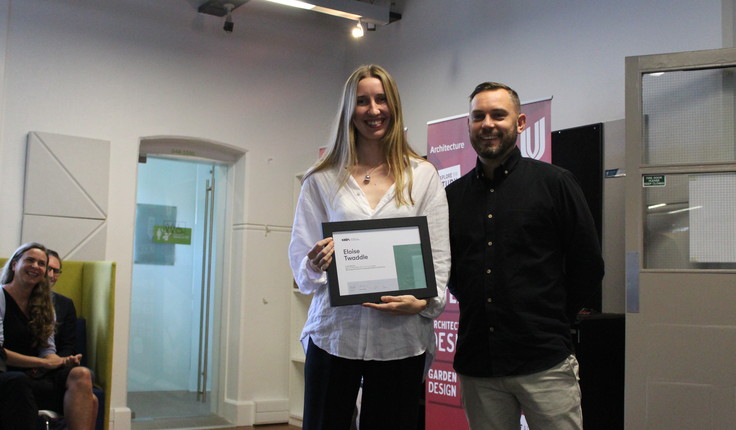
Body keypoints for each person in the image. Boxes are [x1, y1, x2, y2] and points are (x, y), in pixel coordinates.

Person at [288, 64, 450, 430]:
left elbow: (438, 259)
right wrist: (314, 262)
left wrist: (423, 302)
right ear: (350, 110)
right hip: (334, 335)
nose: (373, 110)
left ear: (394, 106)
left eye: (381, 100)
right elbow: (301, 260)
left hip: (401, 339)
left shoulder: (422, 176)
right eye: (362, 101)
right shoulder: (321, 178)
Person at [445, 82, 604, 430]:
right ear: (469, 125)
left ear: (519, 123)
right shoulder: (451, 197)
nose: (487, 123)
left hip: (544, 362)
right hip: (478, 365)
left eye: (498, 115)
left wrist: (548, 317)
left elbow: (589, 265)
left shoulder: (555, 183)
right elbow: (451, 271)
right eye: (478, 116)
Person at [0, 242, 98, 430]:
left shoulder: (45, 306)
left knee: (82, 374)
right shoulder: (1, 296)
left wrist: (63, 361)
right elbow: (0, 353)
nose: (35, 266)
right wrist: (43, 363)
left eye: (41, 264)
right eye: (30, 260)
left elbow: (48, 351)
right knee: (89, 400)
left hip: (36, 376)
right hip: (7, 374)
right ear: (14, 264)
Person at [47, 249, 78, 358]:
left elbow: (68, 347)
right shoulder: (16, 297)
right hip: (18, 364)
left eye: (56, 271)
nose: (51, 275)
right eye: (48, 268)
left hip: (53, 363)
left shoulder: (65, 304)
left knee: (83, 373)